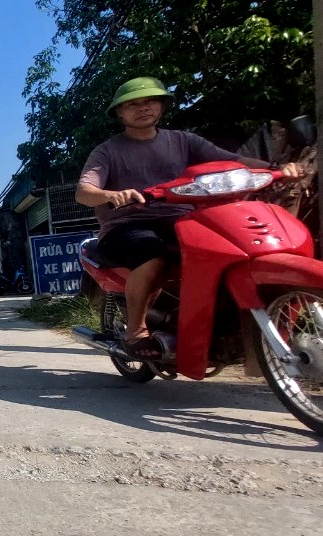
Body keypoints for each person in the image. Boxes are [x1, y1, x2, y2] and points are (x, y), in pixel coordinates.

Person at [76, 76, 301, 359]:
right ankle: (136, 330)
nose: (142, 108)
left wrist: (275, 169)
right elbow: (84, 191)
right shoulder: (108, 150)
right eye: (133, 105)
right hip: (127, 225)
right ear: (120, 113)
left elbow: (232, 160)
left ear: (161, 106)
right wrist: (110, 195)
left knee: (228, 247)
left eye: (150, 102)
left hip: (182, 219)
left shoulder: (183, 141)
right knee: (153, 255)